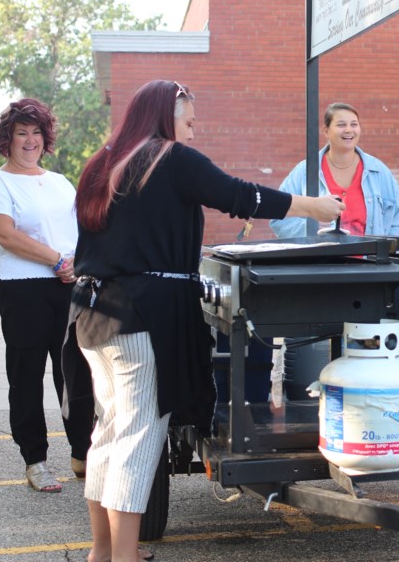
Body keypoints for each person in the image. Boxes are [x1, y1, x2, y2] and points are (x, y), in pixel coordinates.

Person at [66, 80, 343, 562]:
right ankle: (124, 558)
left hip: (94, 315)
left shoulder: (104, 161)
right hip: (143, 315)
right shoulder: (168, 157)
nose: (192, 134)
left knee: (108, 432)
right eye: (189, 122)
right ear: (164, 115)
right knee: (138, 436)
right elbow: (240, 196)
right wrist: (313, 207)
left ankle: (102, 553)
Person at [0, 98, 93, 494]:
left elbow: (83, 228)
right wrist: (57, 259)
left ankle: (83, 452)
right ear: (6, 140)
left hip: (68, 285)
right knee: (26, 375)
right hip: (21, 288)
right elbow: (6, 235)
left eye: (36, 132)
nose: (29, 140)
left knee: (76, 373)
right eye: (21, 133)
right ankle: (36, 461)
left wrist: (76, 262)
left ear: (47, 139)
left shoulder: (60, 182)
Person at [269, 102, 399, 238]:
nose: (348, 130)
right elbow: (278, 217)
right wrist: (311, 229)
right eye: (341, 125)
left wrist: (386, 256)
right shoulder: (305, 171)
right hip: (323, 258)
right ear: (326, 131)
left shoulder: (379, 172)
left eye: (354, 124)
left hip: (369, 259)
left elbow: (397, 223)